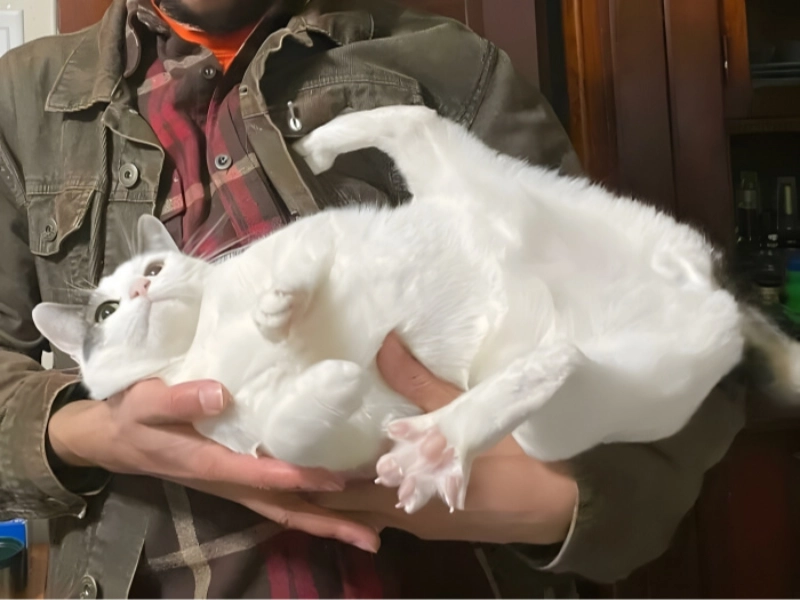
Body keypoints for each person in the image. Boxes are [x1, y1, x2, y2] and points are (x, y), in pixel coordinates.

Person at [0, 0, 745, 597]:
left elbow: (669, 360)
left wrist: (555, 502)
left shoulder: (449, 66)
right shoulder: (21, 100)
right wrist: (95, 433)